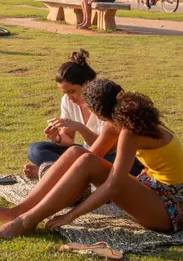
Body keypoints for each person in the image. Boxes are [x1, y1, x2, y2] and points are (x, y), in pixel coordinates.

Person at [0, 78, 183, 239]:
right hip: (151, 188)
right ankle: (18, 211)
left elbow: (113, 185)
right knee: (76, 153)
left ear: (98, 113)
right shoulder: (117, 123)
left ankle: (27, 221)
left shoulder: (129, 131)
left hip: (170, 211)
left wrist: (70, 216)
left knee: (85, 161)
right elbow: (86, 158)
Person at [24, 51, 143, 179]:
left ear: (87, 84)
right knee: (36, 150)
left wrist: (81, 128)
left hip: (116, 156)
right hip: (90, 152)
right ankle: (61, 172)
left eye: (72, 91)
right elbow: (68, 139)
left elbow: (108, 148)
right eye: (65, 92)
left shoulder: (103, 101)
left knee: (89, 159)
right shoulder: (67, 100)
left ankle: (49, 172)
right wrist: (57, 138)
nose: (69, 97)